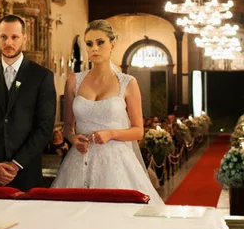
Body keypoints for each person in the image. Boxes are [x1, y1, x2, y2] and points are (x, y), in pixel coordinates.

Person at [51, 20, 163, 204]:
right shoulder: (74, 80)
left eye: (100, 42)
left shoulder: (128, 82)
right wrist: (72, 138)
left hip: (117, 162)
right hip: (80, 159)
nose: (94, 48)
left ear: (112, 44)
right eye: (89, 44)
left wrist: (111, 133)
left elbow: (138, 130)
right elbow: (68, 126)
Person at [0, 15, 57, 191]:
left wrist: (16, 164)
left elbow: (44, 127)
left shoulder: (41, 76)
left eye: (14, 37)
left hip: (26, 173)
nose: (8, 42)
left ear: (25, 38)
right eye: (3, 37)